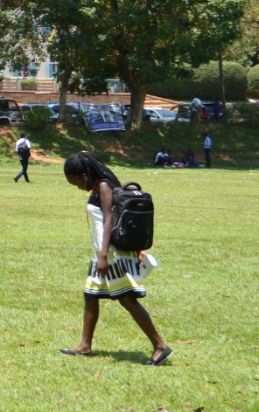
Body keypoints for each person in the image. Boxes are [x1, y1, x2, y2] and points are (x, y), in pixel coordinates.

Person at [60, 152, 172, 365]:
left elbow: (109, 221)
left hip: (110, 255)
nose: (77, 187)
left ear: (84, 174)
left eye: (76, 182)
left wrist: (103, 256)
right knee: (91, 296)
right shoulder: (100, 185)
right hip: (102, 254)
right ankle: (85, 346)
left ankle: (160, 346)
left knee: (127, 299)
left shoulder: (103, 186)